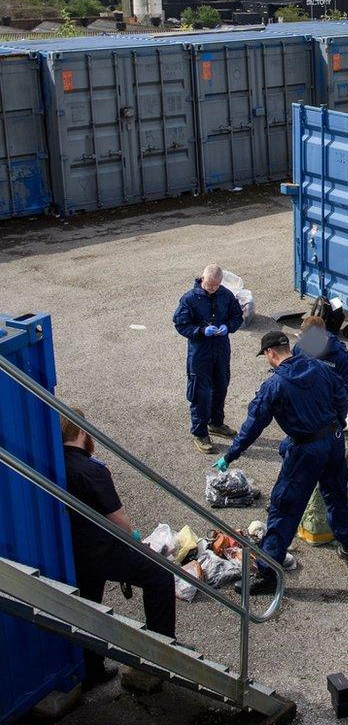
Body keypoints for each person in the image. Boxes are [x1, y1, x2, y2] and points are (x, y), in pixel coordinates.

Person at [213, 331, 348, 592]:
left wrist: (230, 454)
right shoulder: (318, 367)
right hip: (333, 440)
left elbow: (253, 425)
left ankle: (268, 573)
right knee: (337, 495)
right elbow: (340, 396)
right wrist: (338, 424)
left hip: (305, 450)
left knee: (284, 507)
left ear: (270, 353)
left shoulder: (275, 385)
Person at [60, 408, 177, 689]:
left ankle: (91, 669)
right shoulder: (92, 470)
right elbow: (120, 524)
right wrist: (136, 539)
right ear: (83, 432)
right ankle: (161, 656)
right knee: (160, 575)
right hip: (99, 548)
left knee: (87, 601)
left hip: (69, 549)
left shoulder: (52, 464)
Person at [172, 264, 244, 454]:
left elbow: (237, 316)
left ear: (220, 283)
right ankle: (200, 432)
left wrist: (228, 327)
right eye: (209, 285)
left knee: (221, 386)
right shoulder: (189, 299)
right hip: (200, 352)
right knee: (200, 392)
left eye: (215, 286)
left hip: (221, 349)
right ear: (202, 278)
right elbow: (180, 324)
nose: (211, 289)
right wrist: (201, 331)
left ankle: (216, 423)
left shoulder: (226, 295)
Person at [293, 314, 348, 399]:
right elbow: (291, 367)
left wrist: (327, 396)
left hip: (328, 403)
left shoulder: (340, 356)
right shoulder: (300, 347)